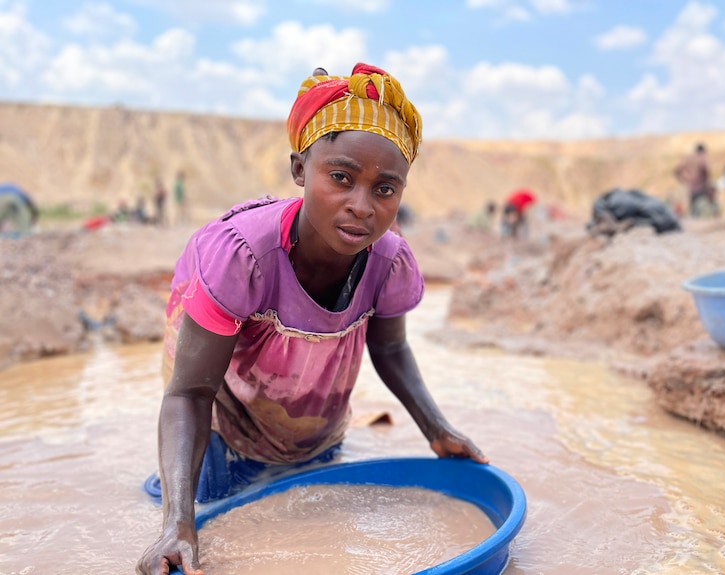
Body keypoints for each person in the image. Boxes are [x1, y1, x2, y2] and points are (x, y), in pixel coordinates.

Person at [135, 63, 487, 575]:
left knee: (311, 500)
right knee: (213, 502)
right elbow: (190, 392)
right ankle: (173, 493)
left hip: (308, 406)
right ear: (300, 170)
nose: (362, 206)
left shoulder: (388, 260)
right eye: (340, 178)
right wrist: (175, 524)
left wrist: (437, 430)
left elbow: (389, 349)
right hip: (223, 403)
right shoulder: (243, 257)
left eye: (386, 190)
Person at [674, 143, 718, 218]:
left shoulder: (688, 158)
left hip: (690, 186)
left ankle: (693, 219)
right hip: (700, 186)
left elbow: (677, 170)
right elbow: (707, 170)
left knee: (693, 207)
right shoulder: (702, 158)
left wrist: (683, 179)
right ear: (703, 151)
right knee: (701, 207)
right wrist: (707, 181)